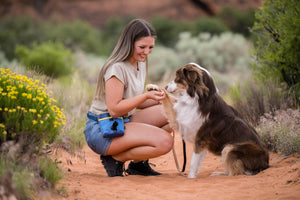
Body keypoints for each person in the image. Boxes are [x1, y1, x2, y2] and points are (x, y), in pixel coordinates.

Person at [84, 18, 173, 177]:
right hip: (103, 128)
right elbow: (114, 110)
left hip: (122, 121)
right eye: (142, 47)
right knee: (166, 142)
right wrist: (145, 96)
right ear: (129, 43)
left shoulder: (140, 63)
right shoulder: (117, 68)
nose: (146, 52)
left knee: (171, 113)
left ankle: (138, 165)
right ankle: (115, 158)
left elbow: (135, 104)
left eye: (150, 47)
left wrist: (162, 97)